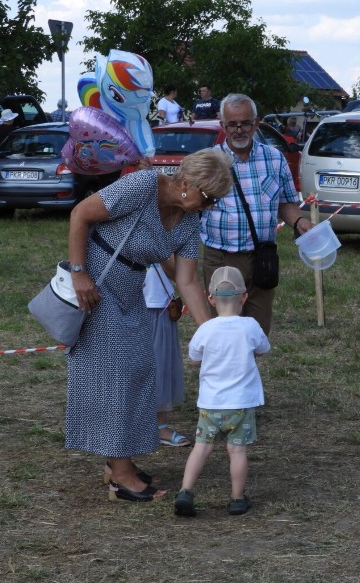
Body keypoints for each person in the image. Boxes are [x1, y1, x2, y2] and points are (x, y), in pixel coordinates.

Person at [66, 148, 233, 503]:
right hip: (97, 284)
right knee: (118, 374)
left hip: (130, 290)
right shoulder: (143, 185)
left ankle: (117, 460)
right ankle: (121, 478)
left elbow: (187, 281)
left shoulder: (189, 221)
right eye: (209, 198)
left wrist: (214, 334)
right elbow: (80, 214)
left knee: (142, 368)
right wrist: (79, 274)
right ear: (186, 183)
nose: (210, 207)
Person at [200, 93, 314, 336]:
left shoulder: (275, 159)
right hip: (222, 258)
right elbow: (190, 209)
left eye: (245, 123)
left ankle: (248, 374)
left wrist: (300, 220)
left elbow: (286, 203)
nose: (239, 130)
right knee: (225, 334)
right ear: (223, 125)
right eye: (232, 124)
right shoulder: (209, 162)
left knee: (257, 333)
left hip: (262, 258)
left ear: (257, 123)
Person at [174, 266, 271, 517]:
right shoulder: (250, 326)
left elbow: (195, 357)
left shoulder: (205, 329)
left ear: (211, 299)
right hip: (240, 404)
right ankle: (237, 499)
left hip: (210, 404)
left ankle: (185, 491)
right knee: (237, 450)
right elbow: (263, 348)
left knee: (201, 447)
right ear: (244, 297)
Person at [143, 258, 190, 448]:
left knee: (160, 365)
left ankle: (160, 425)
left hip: (159, 305)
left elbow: (178, 272)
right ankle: (132, 424)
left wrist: (160, 251)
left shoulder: (166, 231)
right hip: (125, 303)